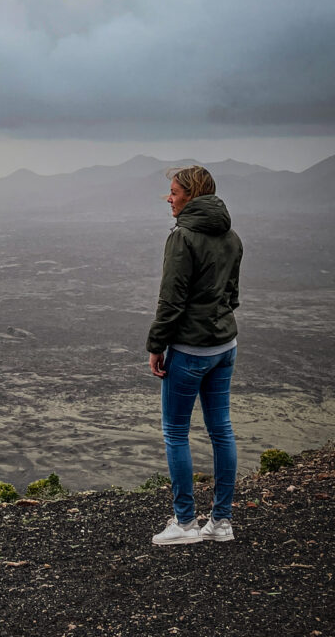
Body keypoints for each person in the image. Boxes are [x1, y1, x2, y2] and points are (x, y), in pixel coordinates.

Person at [146, 165, 243, 545]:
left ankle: (185, 524)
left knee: (175, 432)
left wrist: (157, 345)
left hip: (190, 349)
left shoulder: (183, 237)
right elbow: (232, 295)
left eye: (173, 192)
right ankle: (221, 523)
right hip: (225, 346)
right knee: (221, 429)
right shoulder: (231, 236)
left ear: (192, 195)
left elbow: (171, 301)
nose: (168, 198)